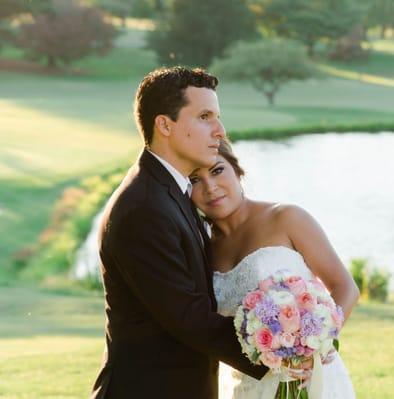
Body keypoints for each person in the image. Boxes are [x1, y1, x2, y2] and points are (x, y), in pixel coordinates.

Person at [90, 67, 268, 399]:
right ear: (165, 125)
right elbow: (189, 318)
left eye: (217, 117)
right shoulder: (143, 207)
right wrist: (276, 353)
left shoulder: (171, 190)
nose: (219, 130)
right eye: (204, 117)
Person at [190, 138, 360, 399]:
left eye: (217, 170)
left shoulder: (287, 218)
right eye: (195, 179)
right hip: (245, 388)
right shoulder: (202, 250)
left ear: (237, 170)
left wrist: (317, 348)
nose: (210, 187)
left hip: (309, 378)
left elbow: (345, 287)